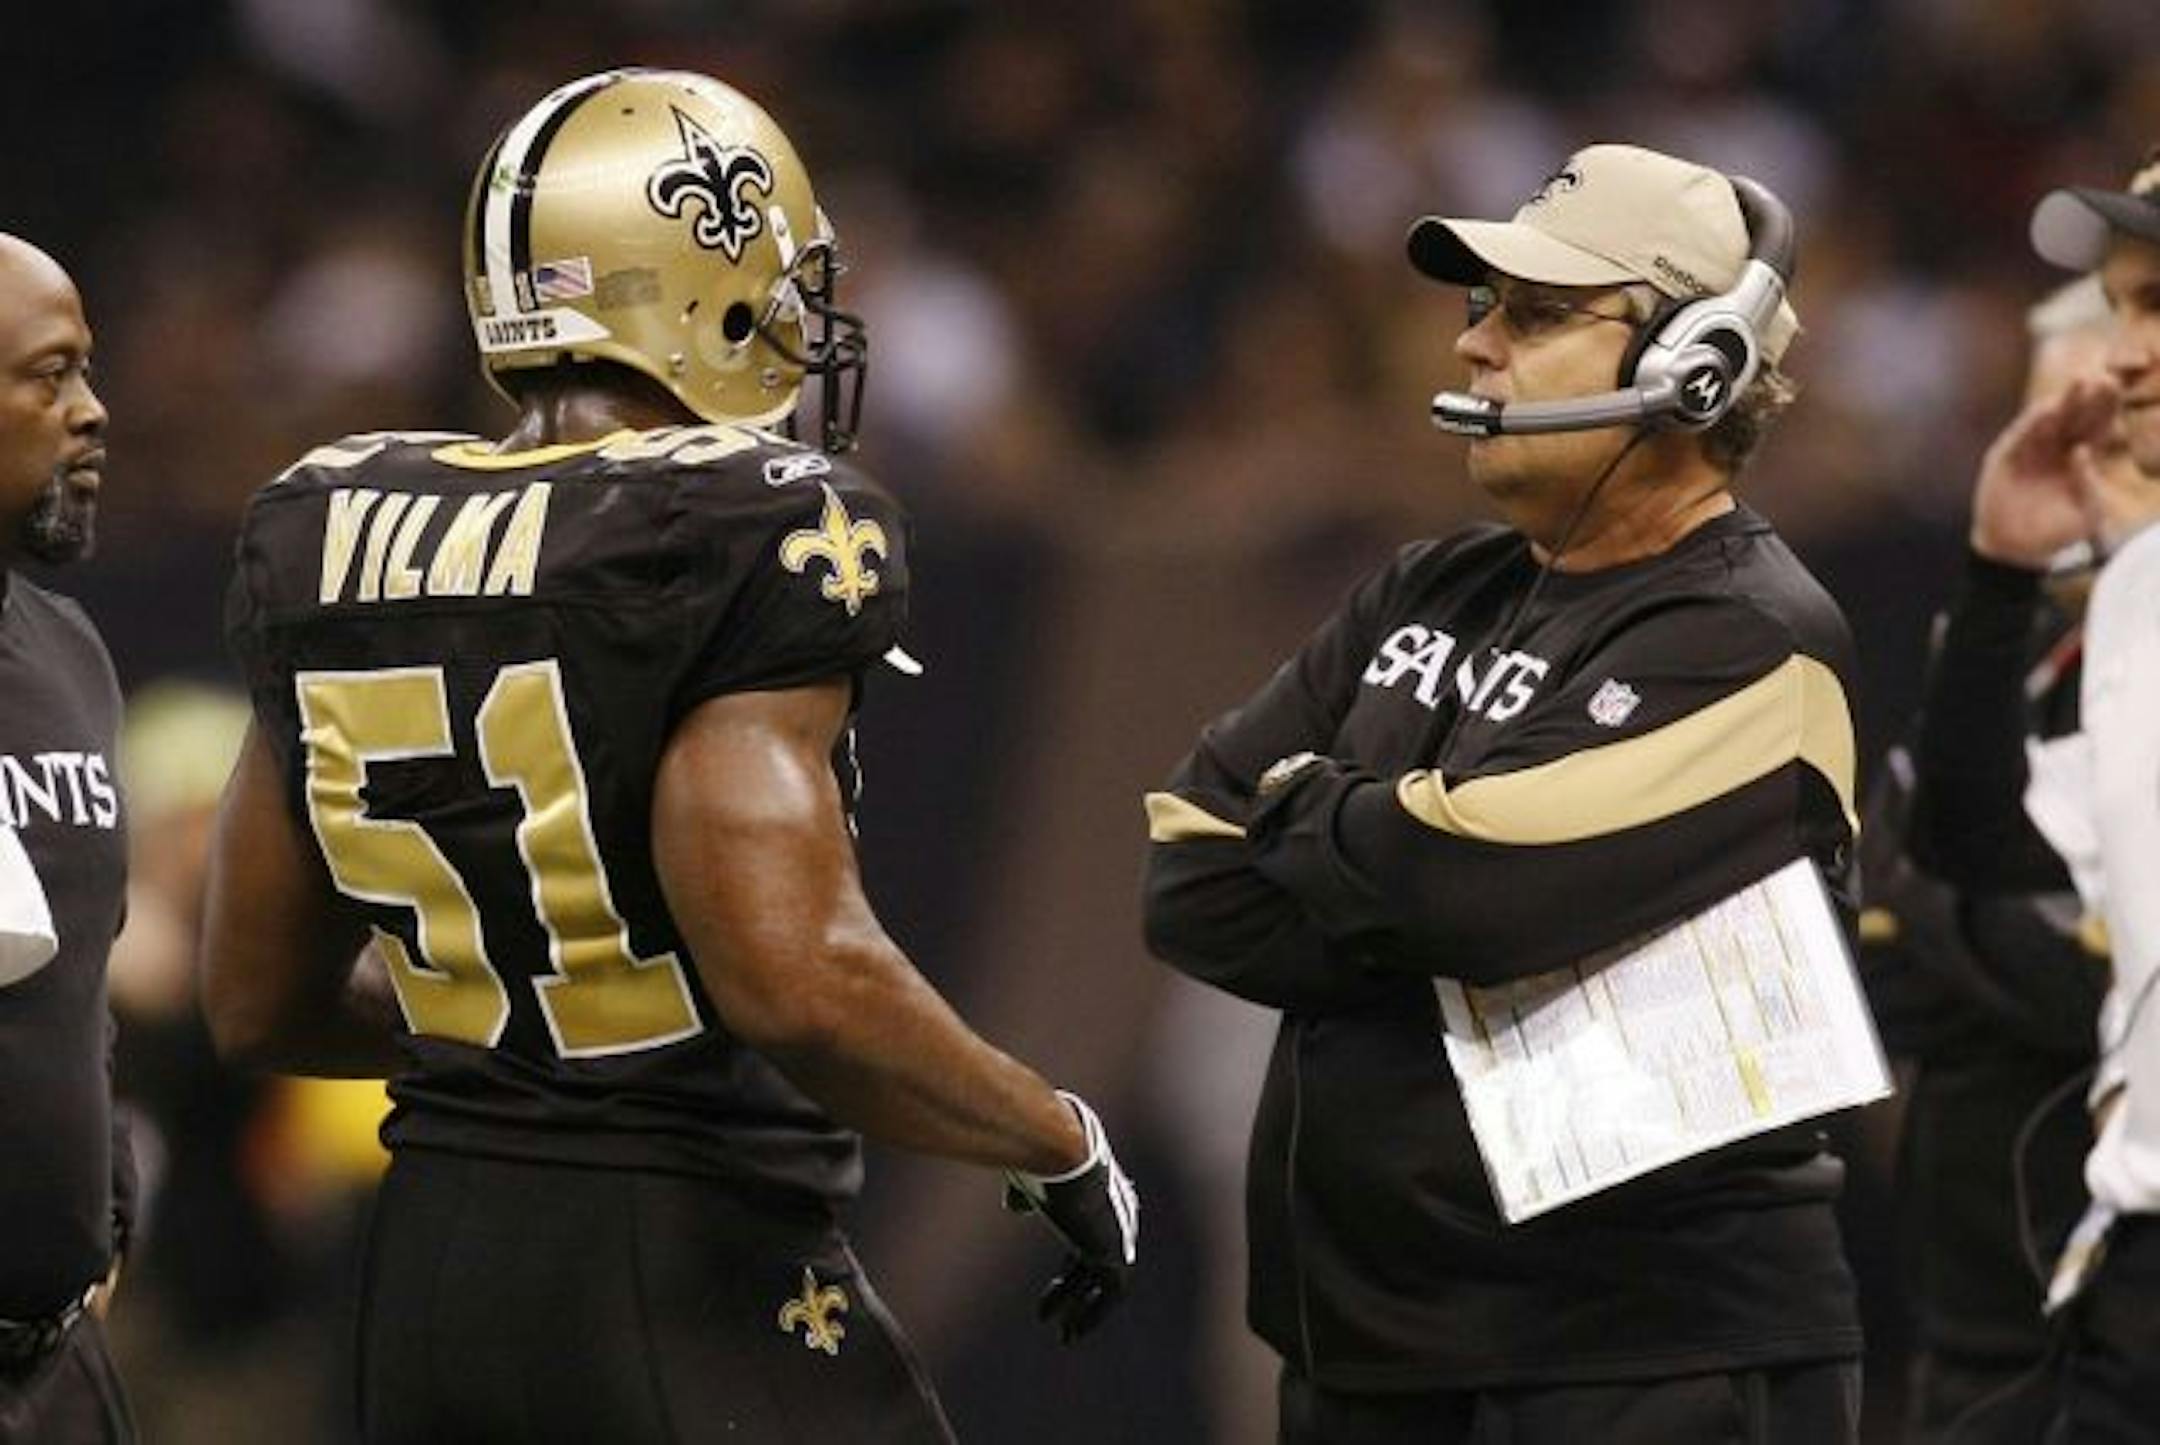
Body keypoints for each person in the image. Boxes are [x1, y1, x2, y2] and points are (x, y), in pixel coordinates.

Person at [198, 68, 1136, 1445]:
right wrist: (1055, 1134)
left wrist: (506, 1017)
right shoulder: (736, 523)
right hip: (682, 1261)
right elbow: (796, 978)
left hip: (423, 1277)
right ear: (695, 274)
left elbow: (255, 1000)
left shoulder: (326, 525)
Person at [1143, 144, 1865, 1444]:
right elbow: (1193, 866)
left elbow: (1463, 882)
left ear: (1694, 362)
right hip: (1374, 1351)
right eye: (1480, 307)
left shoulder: (1757, 637)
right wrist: (1404, 867)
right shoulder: (1425, 588)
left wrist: (1323, 821)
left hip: (1643, 1358)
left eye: (1534, 314)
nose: (1476, 346)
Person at [1865, 279, 2127, 1445]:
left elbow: (2106, 986)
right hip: (1967, 1302)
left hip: (2099, 1303)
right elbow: (1883, 966)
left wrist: (1936, 914)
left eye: (2096, 418)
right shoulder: (2003, 654)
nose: (2060, 451)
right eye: (2035, 414)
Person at [1954, 147, 2160, 1442]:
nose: (2121, 355)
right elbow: (1981, 854)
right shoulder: (2142, 586)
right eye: (2124, 308)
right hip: (2134, 1261)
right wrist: (1994, 586)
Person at [0, 232, 137, 1443]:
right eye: (49, 376)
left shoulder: (68, 649)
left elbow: (80, 975)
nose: (91, 414)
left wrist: (105, 1192)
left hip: (56, 1364)